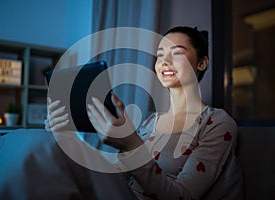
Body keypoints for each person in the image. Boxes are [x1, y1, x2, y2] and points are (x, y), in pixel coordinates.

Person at [46, 26, 244, 199]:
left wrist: (131, 144)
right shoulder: (151, 121)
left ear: (201, 63)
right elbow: (116, 178)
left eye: (177, 53)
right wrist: (68, 138)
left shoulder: (217, 123)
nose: (164, 61)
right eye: (160, 55)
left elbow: (182, 196)